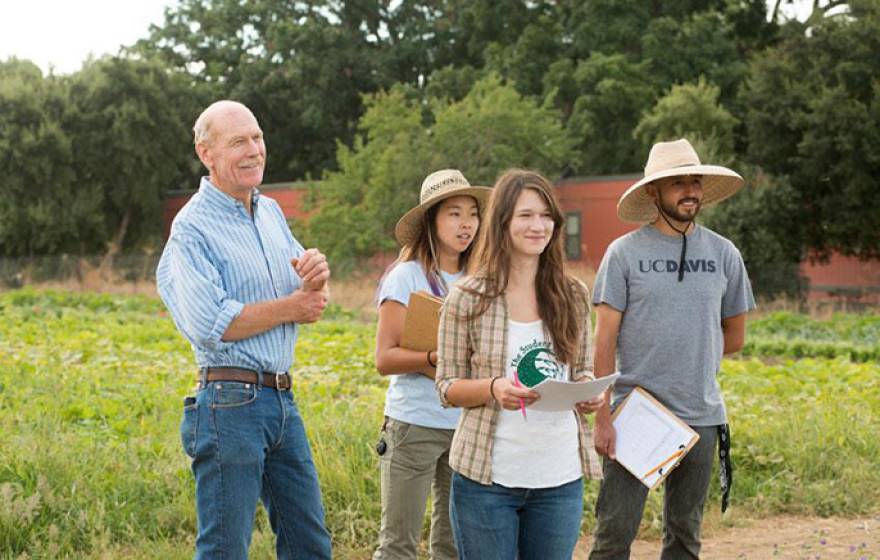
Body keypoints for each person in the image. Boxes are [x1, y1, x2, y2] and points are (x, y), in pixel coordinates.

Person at [156, 100, 333, 560]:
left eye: (257, 137)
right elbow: (210, 323)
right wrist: (295, 305)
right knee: (224, 550)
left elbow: (304, 287)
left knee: (309, 543)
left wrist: (316, 270)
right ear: (206, 153)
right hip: (229, 406)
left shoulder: (270, 211)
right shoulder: (191, 228)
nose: (254, 149)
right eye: (238, 141)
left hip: (281, 401)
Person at [588, 138, 756, 559]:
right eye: (678, 183)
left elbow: (734, 336)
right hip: (636, 416)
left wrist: (689, 357)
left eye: (695, 181)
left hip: (701, 417)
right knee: (613, 537)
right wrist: (603, 418)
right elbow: (603, 340)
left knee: (684, 538)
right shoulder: (623, 254)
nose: (690, 190)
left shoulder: (724, 253)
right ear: (653, 191)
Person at [435, 169, 605, 560]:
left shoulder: (573, 294)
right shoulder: (467, 297)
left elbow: (581, 369)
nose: (539, 226)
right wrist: (494, 388)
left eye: (546, 216)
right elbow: (445, 386)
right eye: (526, 215)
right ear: (503, 222)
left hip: (559, 478)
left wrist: (587, 391)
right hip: (486, 480)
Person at [372, 169, 491, 560]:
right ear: (432, 220)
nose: (466, 224)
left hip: (466, 425)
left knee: (453, 543)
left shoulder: (481, 280)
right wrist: (434, 360)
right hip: (414, 425)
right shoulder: (405, 277)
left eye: (472, 214)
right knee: (398, 544)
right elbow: (385, 358)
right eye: (454, 213)